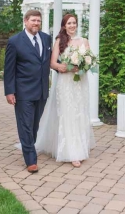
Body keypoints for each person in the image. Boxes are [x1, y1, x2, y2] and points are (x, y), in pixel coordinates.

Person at [35, 14, 95, 168]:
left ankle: (81, 145)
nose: (72, 25)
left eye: (74, 23)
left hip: (80, 82)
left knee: (80, 112)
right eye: (69, 23)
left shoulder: (84, 41)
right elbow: (53, 63)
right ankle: (72, 152)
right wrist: (63, 67)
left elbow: (89, 62)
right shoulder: (59, 41)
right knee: (67, 114)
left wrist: (82, 66)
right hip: (65, 82)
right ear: (64, 25)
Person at [4, 9, 52, 173]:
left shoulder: (46, 38)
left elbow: (51, 61)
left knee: (34, 125)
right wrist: (9, 91)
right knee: (25, 125)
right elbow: (9, 69)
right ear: (25, 21)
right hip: (23, 91)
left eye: (38, 20)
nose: (36, 23)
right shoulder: (15, 41)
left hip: (42, 91)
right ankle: (31, 160)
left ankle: (29, 146)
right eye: (33, 20)